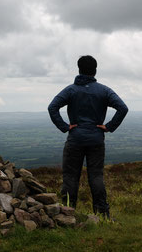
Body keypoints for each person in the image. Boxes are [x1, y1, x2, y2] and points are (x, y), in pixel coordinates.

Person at [47, 55, 128, 217]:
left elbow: (52, 107)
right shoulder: (104, 90)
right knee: (96, 176)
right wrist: (108, 127)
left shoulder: (71, 90)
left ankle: (67, 214)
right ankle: (102, 214)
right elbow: (122, 108)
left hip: (75, 139)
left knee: (70, 177)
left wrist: (65, 126)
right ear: (95, 70)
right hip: (96, 139)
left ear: (79, 69)